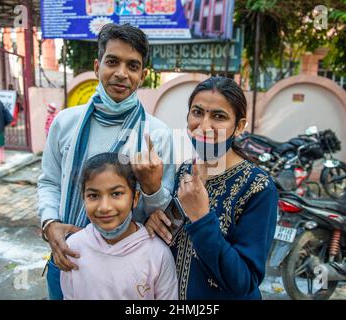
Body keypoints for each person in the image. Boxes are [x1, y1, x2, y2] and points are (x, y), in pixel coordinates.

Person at [38, 23, 175, 300]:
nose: (121, 74)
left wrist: (151, 188)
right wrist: (49, 223)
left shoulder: (157, 134)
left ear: (143, 74)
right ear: (97, 65)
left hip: (129, 269)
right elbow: (49, 181)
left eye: (132, 66)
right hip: (68, 256)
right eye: (113, 62)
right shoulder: (66, 123)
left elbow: (162, 214)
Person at [145, 77, 278, 300]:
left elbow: (244, 281)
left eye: (219, 116)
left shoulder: (258, 187)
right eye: (197, 112)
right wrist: (156, 222)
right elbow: (171, 240)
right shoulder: (185, 171)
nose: (204, 126)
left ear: (239, 126)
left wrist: (201, 217)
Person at [60, 152, 178, 299]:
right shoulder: (73, 247)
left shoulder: (157, 254)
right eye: (93, 196)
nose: (104, 207)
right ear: (83, 199)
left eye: (116, 194)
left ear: (135, 199)